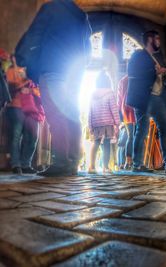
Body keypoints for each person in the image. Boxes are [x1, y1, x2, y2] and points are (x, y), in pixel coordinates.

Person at [15, 0, 91, 176]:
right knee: (72, 115)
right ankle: (72, 161)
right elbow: (88, 50)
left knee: (56, 114)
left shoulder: (51, 8)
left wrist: (21, 57)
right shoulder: (82, 16)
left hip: (53, 67)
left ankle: (61, 162)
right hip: (74, 73)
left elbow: (35, 34)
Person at [127, 30, 166, 173]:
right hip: (144, 97)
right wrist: (155, 72)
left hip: (157, 99)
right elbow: (132, 72)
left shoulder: (155, 58)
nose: (159, 41)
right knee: (142, 130)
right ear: (150, 39)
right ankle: (137, 165)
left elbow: (161, 85)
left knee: (165, 128)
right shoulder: (138, 55)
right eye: (157, 38)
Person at [6, 56, 45, 174]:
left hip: (33, 109)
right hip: (17, 106)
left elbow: (41, 91)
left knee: (33, 137)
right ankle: (16, 164)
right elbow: (8, 86)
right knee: (17, 136)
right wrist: (22, 82)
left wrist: (31, 90)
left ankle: (25, 164)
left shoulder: (33, 72)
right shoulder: (11, 70)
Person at [88, 70, 120, 174]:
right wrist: (117, 122)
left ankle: (91, 167)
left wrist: (90, 125)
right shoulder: (110, 93)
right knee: (106, 144)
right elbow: (114, 109)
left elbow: (90, 111)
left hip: (96, 123)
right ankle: (106, 168)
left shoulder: (93, 94)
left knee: (95, 143)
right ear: (108, 82)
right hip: (107, 123)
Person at [117, 74, 135, 169]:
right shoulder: (136, 77)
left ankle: (128, 161)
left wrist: (120, 117)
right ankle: (134, 161)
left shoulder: (122, 80)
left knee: (130, 136)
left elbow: (119, 100)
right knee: (136, 136)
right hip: (136, 108)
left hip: (126, 110)